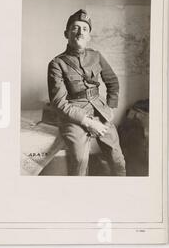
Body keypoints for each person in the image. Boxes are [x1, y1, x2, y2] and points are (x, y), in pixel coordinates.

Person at [47, 9, 126, 176]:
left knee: (117, 159)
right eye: (75, 28)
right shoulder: (57, 63)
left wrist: (110, 109)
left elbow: (112, 82)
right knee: (79, 161)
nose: (80, 32)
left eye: (84, 29)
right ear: (66, 33)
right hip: (74, 116)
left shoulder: (96, 56)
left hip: (100, 110)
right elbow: (59, 102)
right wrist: (89, 123)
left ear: (89, 35)